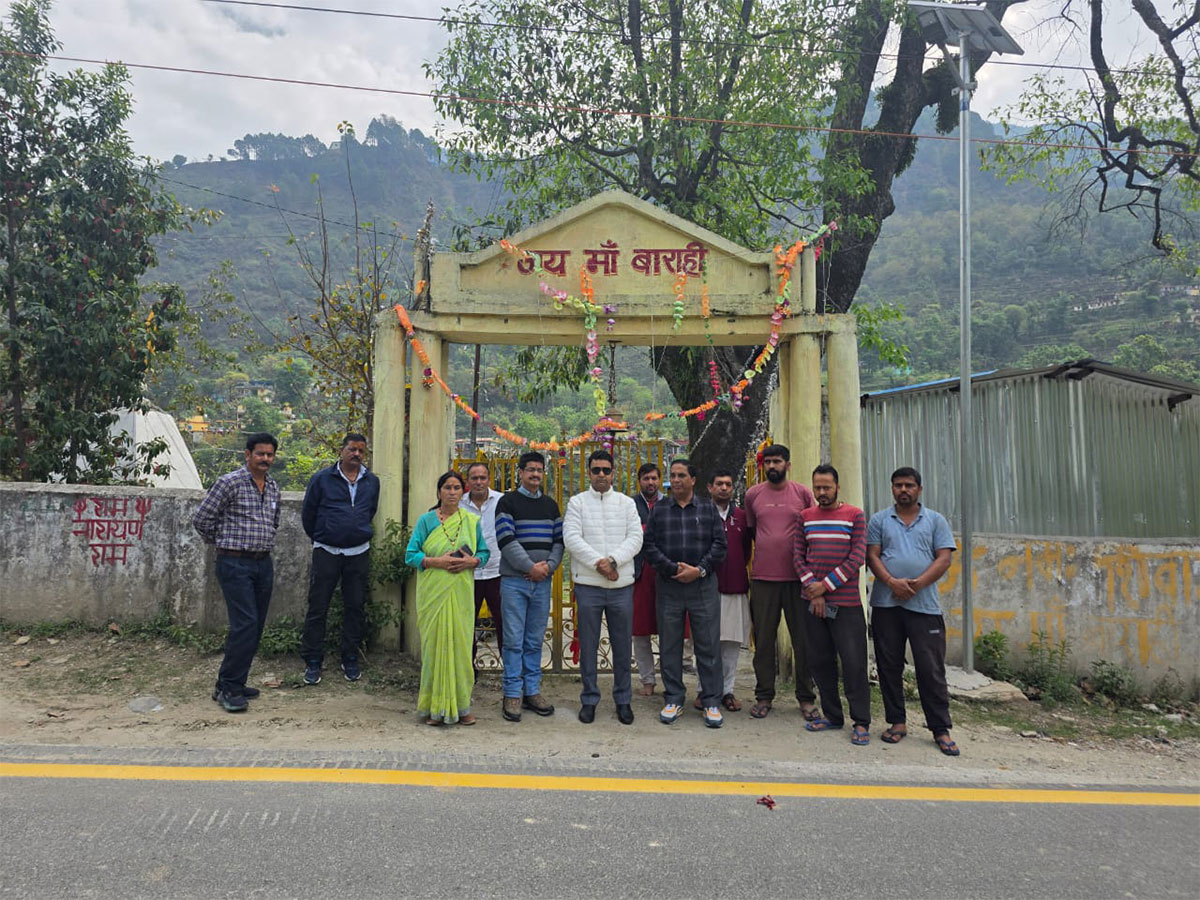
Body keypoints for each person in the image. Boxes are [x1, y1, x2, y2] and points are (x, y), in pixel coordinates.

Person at [866, 466, 960, 756]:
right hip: (886, 604)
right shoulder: (880, 520)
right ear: (892, 489)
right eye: (898, 485)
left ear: (920, 489)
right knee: (888, 666)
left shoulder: (935, 521)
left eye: (908, 485)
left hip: (924, 607)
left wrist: (916, 585)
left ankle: (940, 729)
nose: (903, 490)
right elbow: (872, 555)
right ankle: (897, 722)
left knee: (930, 669)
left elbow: (943, 559)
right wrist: (892, 582)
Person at [192, 432, 282, 713]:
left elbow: (273, 523)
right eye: (260, 454)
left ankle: (231, 682)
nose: (265, 459)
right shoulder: (229, 483)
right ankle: (229, 688)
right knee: (244, 624)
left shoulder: (274, 487)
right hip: (234, 564)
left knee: (253, 627)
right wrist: (223, 545)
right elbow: (202, 519)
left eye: (269, 455)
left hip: (262, 563)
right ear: (247, 454)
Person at [642, 459, 727, 727]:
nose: (676, 480)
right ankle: (674, 698)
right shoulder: (660, 510)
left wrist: (699, 570)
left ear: (693, 480)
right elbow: (649, 545)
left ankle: (712, 701)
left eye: (681, 476)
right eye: (673, 476)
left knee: (708, 644)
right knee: (670, 644)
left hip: (702, 585)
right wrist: (670, 568)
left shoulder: (708, 509)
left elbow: (719, 545)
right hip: (669, 586)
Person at [562, 449, 643, 725]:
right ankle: (589, 699)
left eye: (605, 470)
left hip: (621, 585)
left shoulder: (626, 503)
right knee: (588, 645)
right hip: (588, 586)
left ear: (613, 473)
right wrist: (600, 564)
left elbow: (635, 538)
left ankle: (623, 700)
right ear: (588, 472)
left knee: (622, 646)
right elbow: (571, 538)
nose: (600, 475)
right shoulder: (577, 503)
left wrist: (613, 561)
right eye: (595, 470)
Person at [404, 470, 489, 726]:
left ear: (462, 492)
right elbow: (411, 555)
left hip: (461, 592)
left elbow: (484, 553)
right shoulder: (426, 521)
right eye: (447, 488)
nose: (452, 492)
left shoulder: (472, 521)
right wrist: (436, 561)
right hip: (433, 594)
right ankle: (434, 708)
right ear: (439, 491)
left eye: (456, 488)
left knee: (461, 649)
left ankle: (462, 707)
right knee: (434, 650)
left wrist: (472, 561)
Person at [794, 464, 870, 745]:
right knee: (820, 661)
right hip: (813, 604)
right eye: (817, 488)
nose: (822, 493)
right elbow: (798, 556)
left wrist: (825, 586)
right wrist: (814, 592)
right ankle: (832, 715)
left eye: (827, 487)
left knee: (853, 663)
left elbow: (857, 558)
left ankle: (861, 721)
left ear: (838, 487)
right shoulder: (805, 517)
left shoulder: (855, 516)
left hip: (846, 603)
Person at [298, 433, 380, 685]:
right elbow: (308, 515)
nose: (356, 454)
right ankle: (313, 661)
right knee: (318, 607)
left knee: (354, 607)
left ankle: (350, 658)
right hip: (327, 552)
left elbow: (370, 510)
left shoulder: (371, 481)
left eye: (361, 451)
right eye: (352, 449)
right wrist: (325, 535)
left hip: (358, 553)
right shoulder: (322, 479)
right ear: (342, 451)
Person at [743, 444, 818, 720]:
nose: (772, 466)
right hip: (763, 579)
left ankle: (806, 697)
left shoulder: (802, 494)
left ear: (788, 464)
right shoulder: (753, 495)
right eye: (768, 462)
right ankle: (764, 696)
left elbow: (812, 530)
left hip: (799, 581)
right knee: (763, 642)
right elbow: (752, 533)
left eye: (777, 461)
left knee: (803, 641)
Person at [495, 452, 564, 722]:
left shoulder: (551, 506)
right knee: (513, 640)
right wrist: (529, 567)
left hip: (542, 582)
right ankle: (512, 693)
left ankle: (532, 691)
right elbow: (506, 539)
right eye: (530, 470)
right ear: (520, 472)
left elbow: (559, 541)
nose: (535, 474)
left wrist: (548, 567)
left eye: (539, 470)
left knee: (534, 640)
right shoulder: (507, 502)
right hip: (515, 582)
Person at [706, 469, 752, 712]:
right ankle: (707, 690)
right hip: (706, 589)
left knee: (731, 644)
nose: (724, 488)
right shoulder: (701, 514)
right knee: (706, 642)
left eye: (728, 484)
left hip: (734, 586)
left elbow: (745, 551)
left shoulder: (742, 517)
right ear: (709, 488)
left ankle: (728, 691)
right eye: (719, 483)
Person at [462, 461, 504, 670]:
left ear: (489, 479)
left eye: (482, 478)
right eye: (474, 478)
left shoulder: (502, 501)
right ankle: (469, 670)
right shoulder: (458, 503)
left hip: (498, 571)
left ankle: (511, 674)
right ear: (467, 481)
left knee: (505, 623)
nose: (479, 482)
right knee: (466, 623)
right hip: (468, 574)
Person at [631, 462, 664, 695]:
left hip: (665, 574)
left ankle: (671, 679)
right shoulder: (629, 506)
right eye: (646, 479)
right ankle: (647, 681)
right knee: (640, 630)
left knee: (669, 630)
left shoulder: (670, 505)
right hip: (639, 573)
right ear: (639, 481)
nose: (650, 483)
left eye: (654, 478)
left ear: (659, 480)